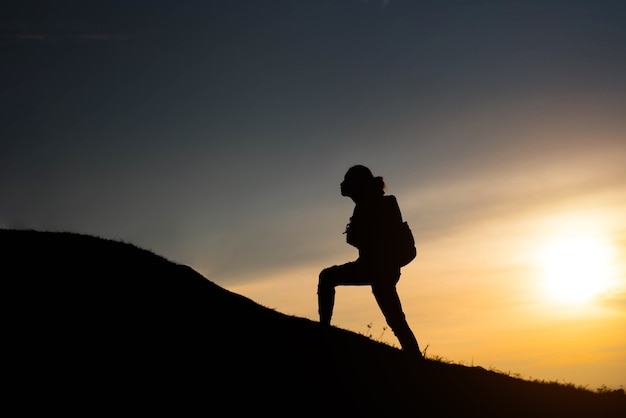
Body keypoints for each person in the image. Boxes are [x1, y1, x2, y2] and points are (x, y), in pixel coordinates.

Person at [318, 165, 423, 361]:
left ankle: (324, 330)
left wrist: (357, 234)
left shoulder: (375, 204)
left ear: (357, 184)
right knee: (395, 318)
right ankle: (416, 357)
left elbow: (368, 238)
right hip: (379, 268)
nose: (342, 185)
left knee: (327, 277)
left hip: (378, 268)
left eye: (347, 181)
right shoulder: (372, 203)